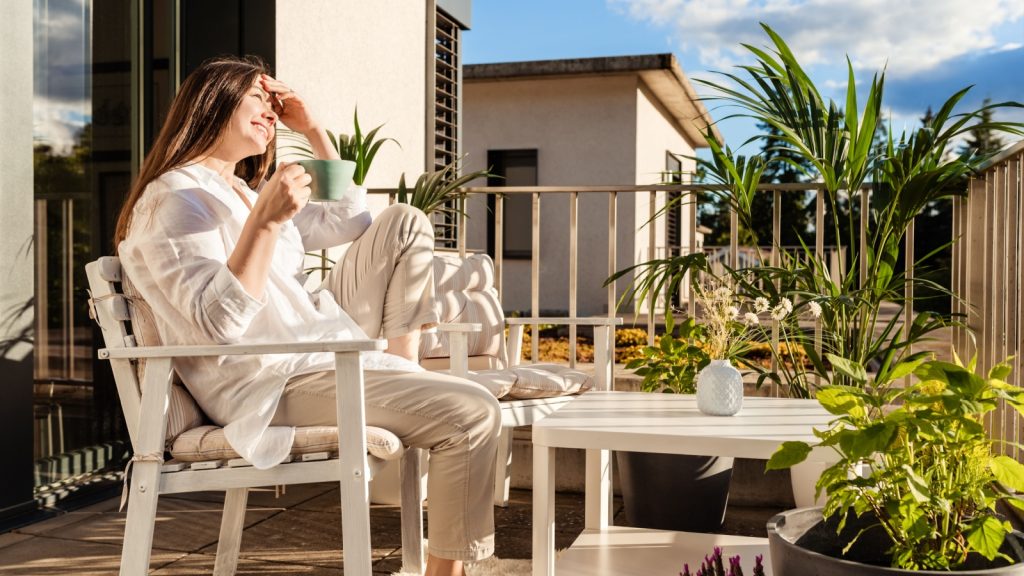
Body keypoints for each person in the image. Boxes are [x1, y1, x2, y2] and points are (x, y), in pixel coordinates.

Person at [114, 55, 500, 576]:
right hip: (269, 384)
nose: (272, 112)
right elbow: (217, 325)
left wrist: (314, 128)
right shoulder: (173, 199)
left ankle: (402, 369)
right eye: (259, 98)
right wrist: (266, 224)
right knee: (471, 413)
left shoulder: (239, 191)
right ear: (214, 100)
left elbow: (352, 220)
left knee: (401, 220)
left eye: (275, 104)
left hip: (312, 351)